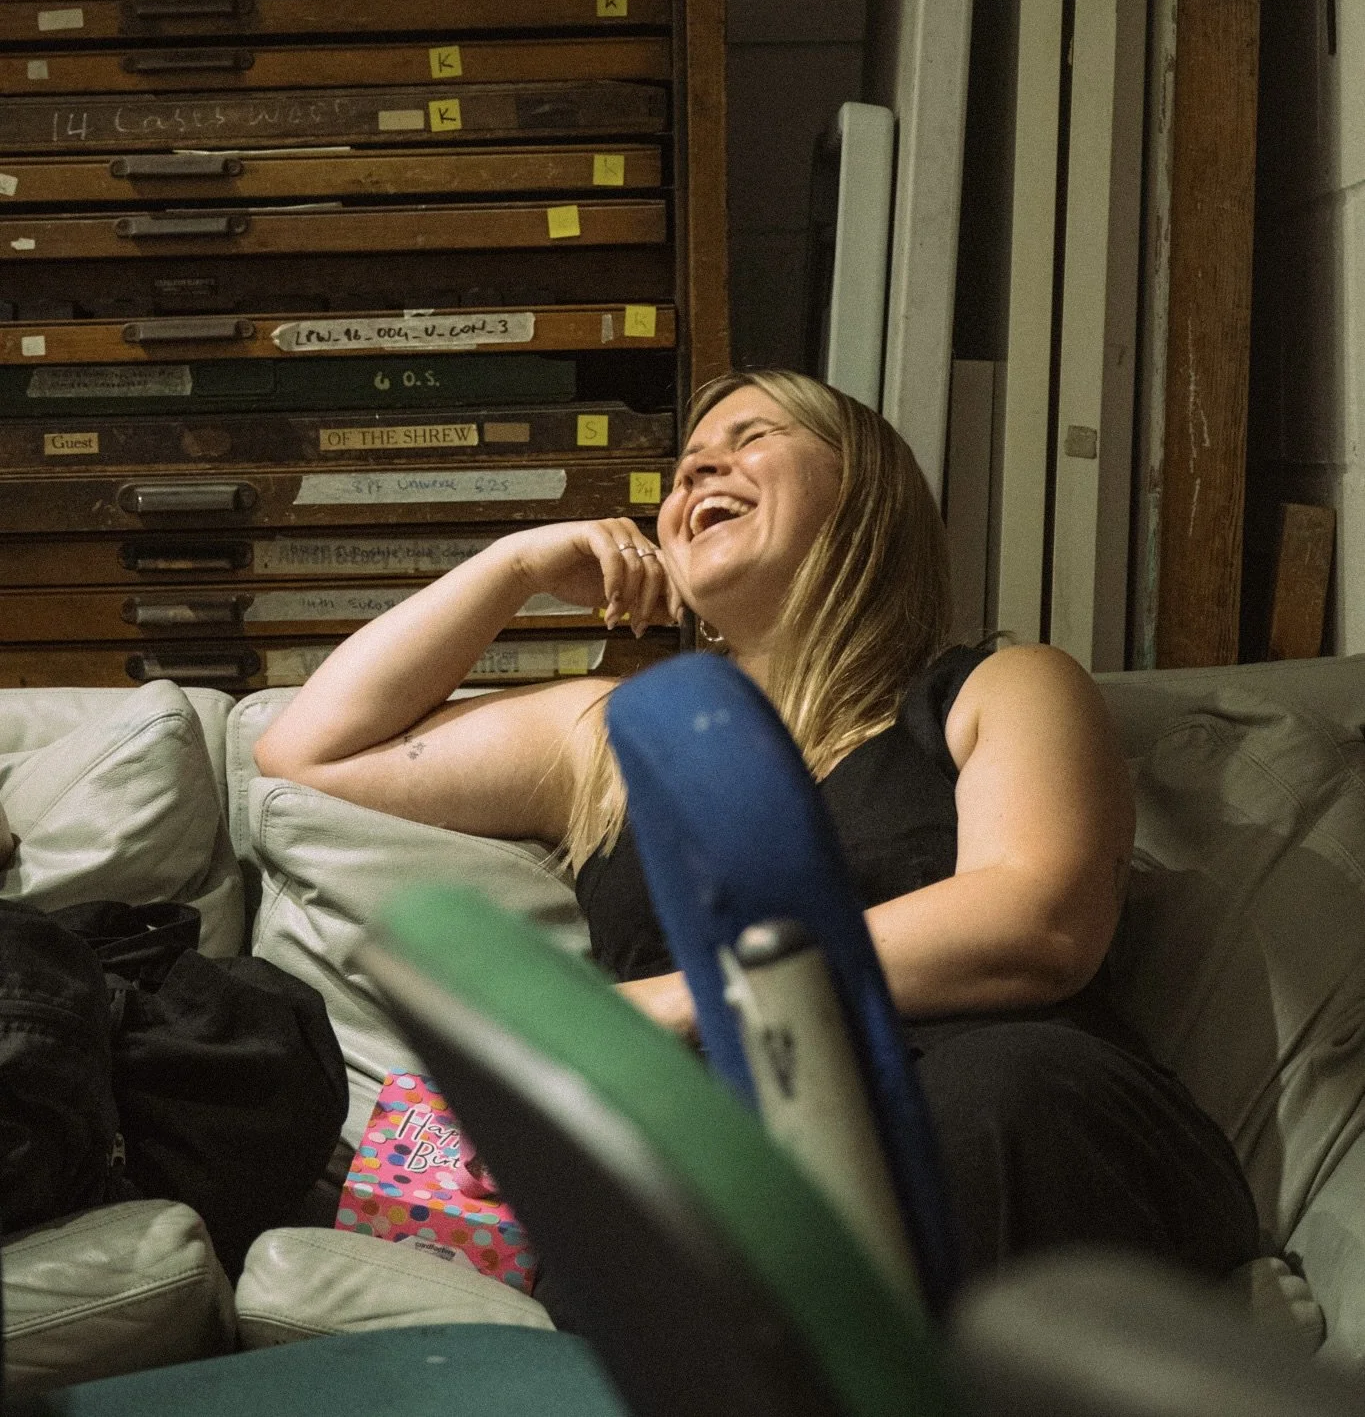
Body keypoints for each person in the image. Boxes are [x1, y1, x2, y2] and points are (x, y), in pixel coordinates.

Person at [255, 368, 1260, 1283]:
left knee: (997, 1094)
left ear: (863, 491)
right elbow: (312, 748)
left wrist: (686, 1000)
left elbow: (1036, 922)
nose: (698, 466)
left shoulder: (996, 686)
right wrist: (516, 562)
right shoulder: (614, 734)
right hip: (736, 1149)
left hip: (1002, 1114)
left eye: (749, 437)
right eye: (686, 461)